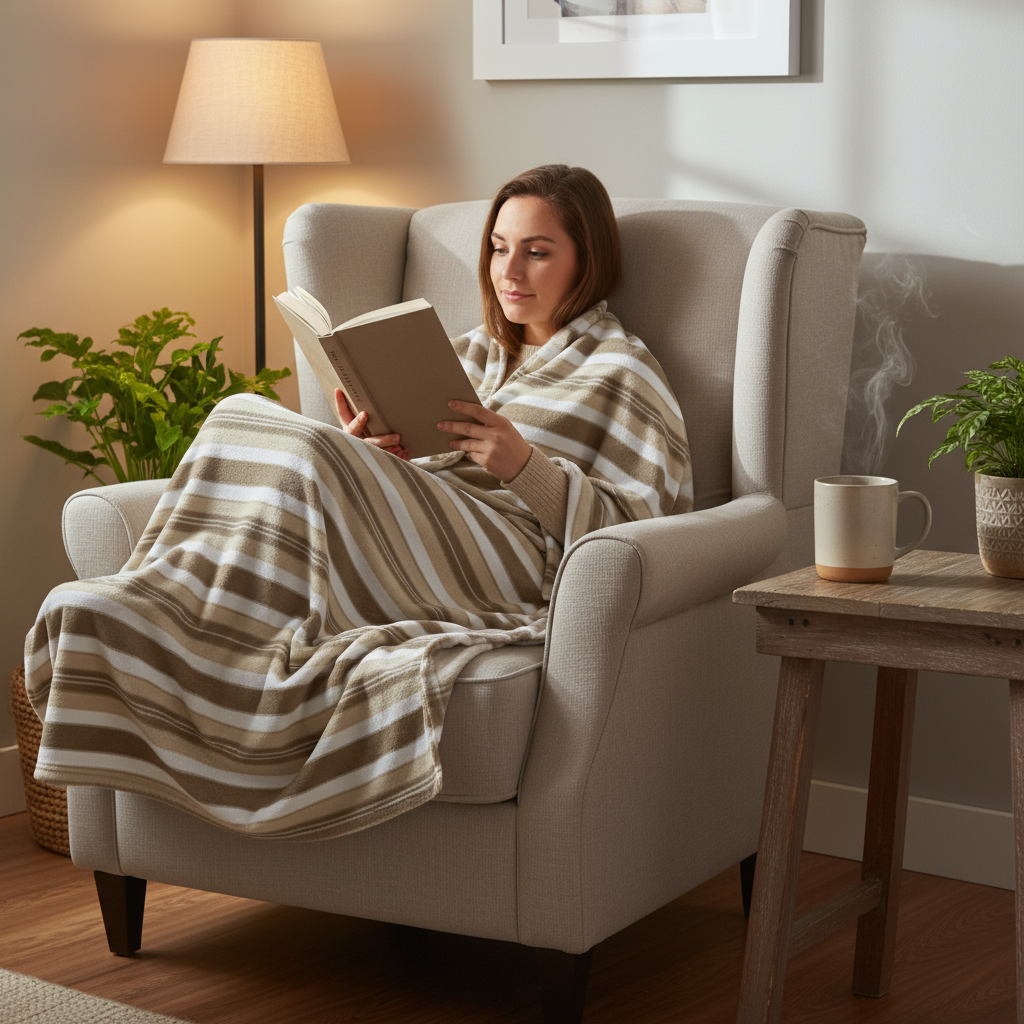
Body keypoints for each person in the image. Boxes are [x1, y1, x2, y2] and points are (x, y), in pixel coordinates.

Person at [24, 165, 692, 841]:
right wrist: (377, 458)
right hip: (423, 543)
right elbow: (423, 482)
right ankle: (170, 601)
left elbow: (643, 538)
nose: (509, 269)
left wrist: (524, 467)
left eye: (538, 251)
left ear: (589, 260)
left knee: (300, 445)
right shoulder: (465, 354)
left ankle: (184, 612)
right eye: (497, 247)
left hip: (515, 567)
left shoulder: (622, 371)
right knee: (240, 414)